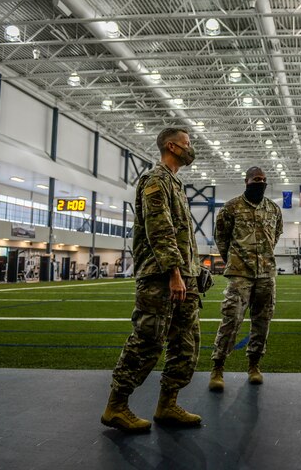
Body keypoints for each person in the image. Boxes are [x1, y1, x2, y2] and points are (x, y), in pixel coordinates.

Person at [101, 127, 202, 432]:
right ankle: (116, 406)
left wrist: (193, 271)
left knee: (186, 344)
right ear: (172, 146)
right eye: (187, 144)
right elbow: (160, 230)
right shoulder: (155, 180)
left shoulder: (175, 183)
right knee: (147, 340)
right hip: (161, 278)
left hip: (183, 277)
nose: (190, 148)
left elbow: (181, 235)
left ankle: (167, 404)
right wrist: (173, 272)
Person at [209, 166, 283, 391]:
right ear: (247, 181)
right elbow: (221, 237)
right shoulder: (231, 207)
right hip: (240, 274)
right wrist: (234, 259)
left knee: (262, 323)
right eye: (256, 179)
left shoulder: (273, 209)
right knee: (231, 320)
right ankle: (218, 368)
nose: (260, 182)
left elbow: (276, 234)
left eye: (263, 179)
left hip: (266, 275)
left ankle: (254, 366)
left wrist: (264, 258)